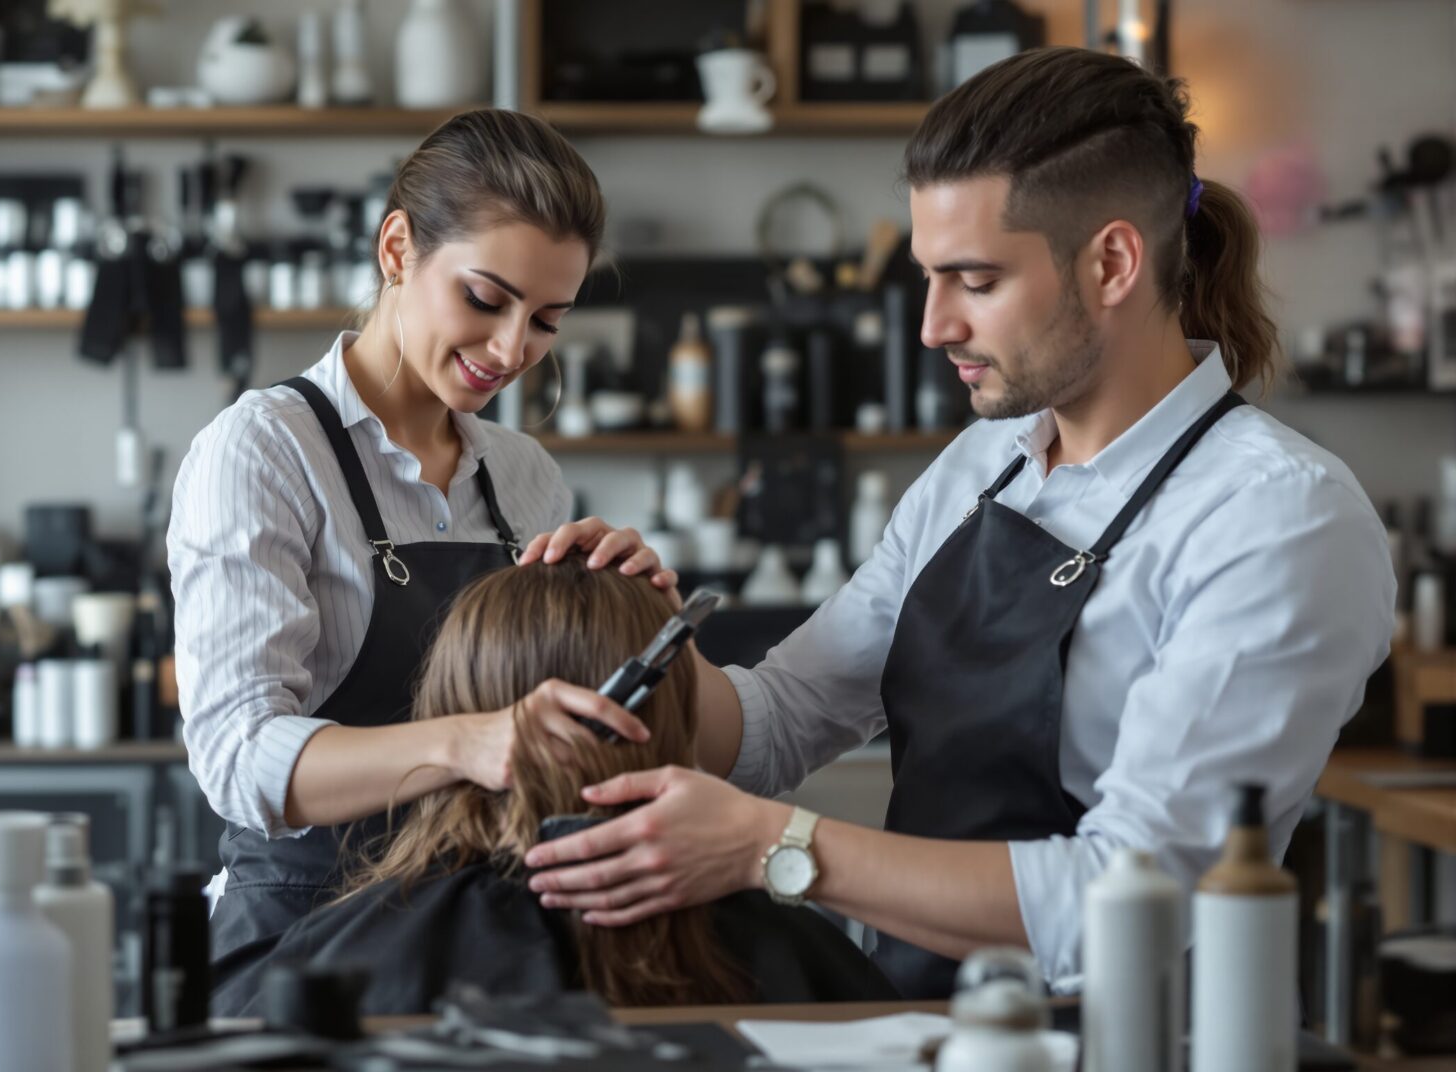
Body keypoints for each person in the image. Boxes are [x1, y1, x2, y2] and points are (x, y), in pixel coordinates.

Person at [519, 47, 1398, 998]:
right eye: (929, 277)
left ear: (1112, 262)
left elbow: (1134, 897)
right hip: (920, 1021)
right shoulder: (987, 463)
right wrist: (647, 634)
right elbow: (787, 717)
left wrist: (773, 846)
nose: (933, 324)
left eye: (974, 281)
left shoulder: (1276, 518)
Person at [167, 109, 675, 1002]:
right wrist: (470, 744)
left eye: (548, 319)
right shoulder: (266, 451)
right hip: (301, 949)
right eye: (485, 299)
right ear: (398, 248)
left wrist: (630, 621)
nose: (513, 349)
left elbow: (549, 740)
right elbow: (239, 760)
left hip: (474, 937)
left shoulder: (523, 477)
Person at [213, 560, 897, 1015]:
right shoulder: (789, 956)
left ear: (451, 702)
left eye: (541, 326)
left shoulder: (351, 957)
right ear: (673, 715)